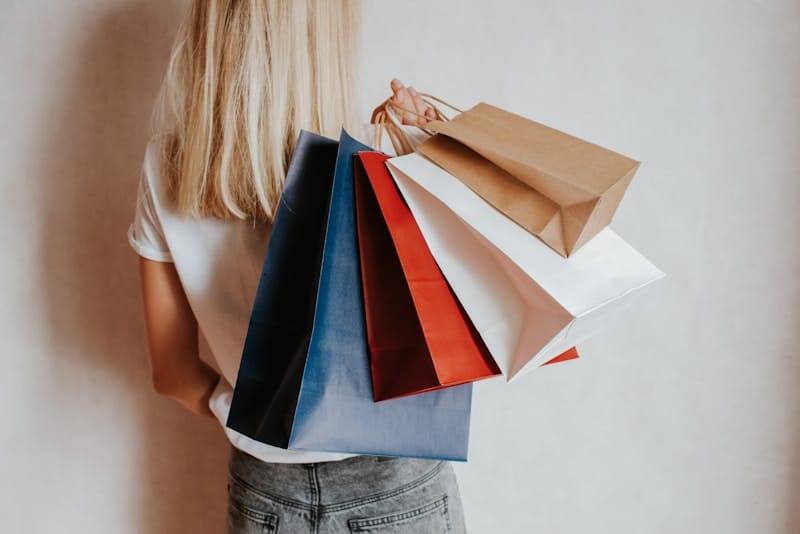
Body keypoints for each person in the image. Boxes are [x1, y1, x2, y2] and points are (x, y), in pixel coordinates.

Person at [127, 1, 466, 532]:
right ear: (327, 36)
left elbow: (172, 375)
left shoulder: (165, 168)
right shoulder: (387, 159)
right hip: (397, 487)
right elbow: (468, 328)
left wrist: (249, 411)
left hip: (264, 492)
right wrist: (440, 156)